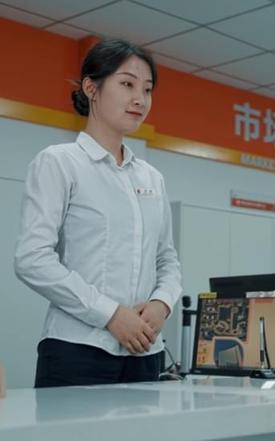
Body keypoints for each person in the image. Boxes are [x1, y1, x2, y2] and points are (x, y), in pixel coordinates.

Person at [14, 38, 182, 387]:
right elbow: (32, 259)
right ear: (91, 88)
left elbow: (166, 259)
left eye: (147, 89)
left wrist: (161, 304)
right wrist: (110, 314)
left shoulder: (152, 178)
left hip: (144, 352)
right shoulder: (59, 162)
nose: (140, 99)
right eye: (127, 84)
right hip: (77, 351)